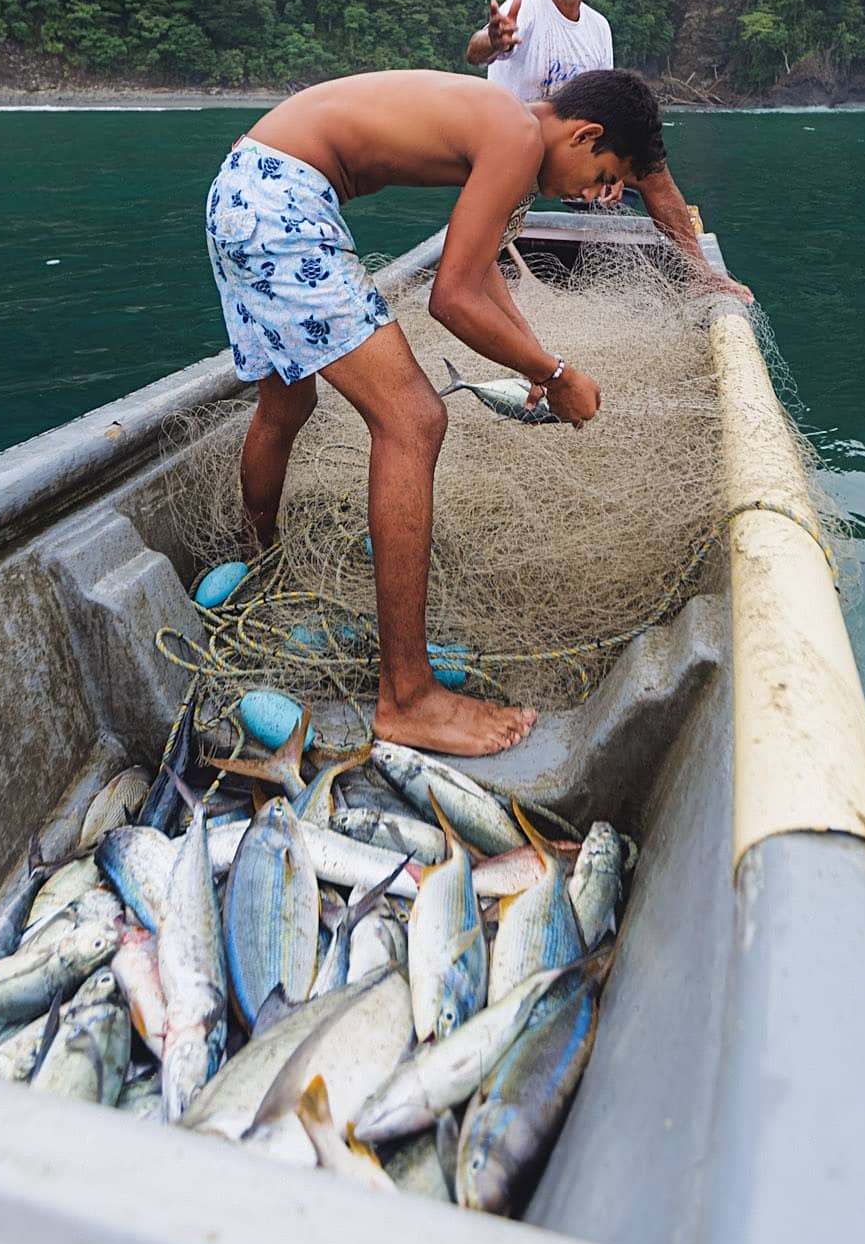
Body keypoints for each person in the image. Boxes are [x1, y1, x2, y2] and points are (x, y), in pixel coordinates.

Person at [205, 67, 667, 759]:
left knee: (287, 397)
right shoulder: (513, 134)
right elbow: (450, 299)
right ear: (585, 133)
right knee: (415, 420)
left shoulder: (508, 129)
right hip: (282, 209)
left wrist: (534, 360)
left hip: (244, 189)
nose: (593, 194)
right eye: (604, 173)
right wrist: (558, 375)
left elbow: (480, 273)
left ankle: (258, 563)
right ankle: (409, 697)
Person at [466, 0, 752, 300]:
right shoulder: (528, 7)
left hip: (574, 150)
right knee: (487, 240)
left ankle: (699, 273)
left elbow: (608, 107)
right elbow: (475, 51)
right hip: (516, 143)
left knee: (651, 171)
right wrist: (493, 38)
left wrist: (615, 170)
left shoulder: (599, 27)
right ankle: (483, 270)